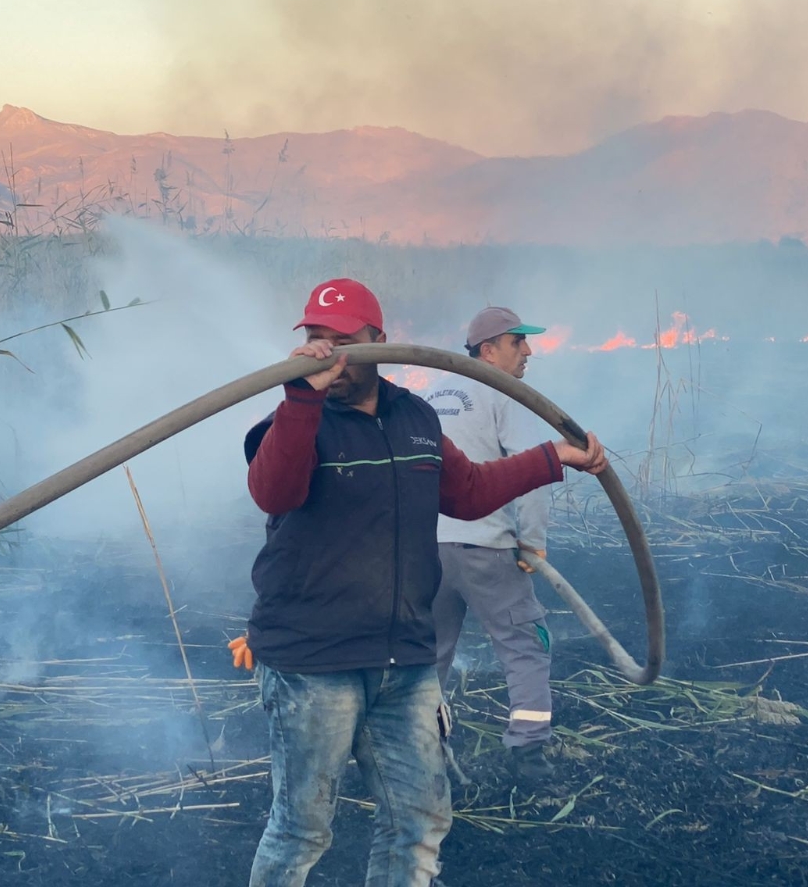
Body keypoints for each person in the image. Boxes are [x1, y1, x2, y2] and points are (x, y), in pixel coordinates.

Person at [238, 278, 608, 887]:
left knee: (419, 818)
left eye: (344, 339)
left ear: (377, 343)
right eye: (315, 336)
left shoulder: (414, 416)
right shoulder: (292, 419)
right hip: (313, 663)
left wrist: (552, 459)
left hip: (403, 661)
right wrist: (301, 398)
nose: (328, 349)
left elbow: (465, 493)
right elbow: (274, 492)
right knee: (302, 827)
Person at [424, 307, 560, 782]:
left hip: (429, 551)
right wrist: (533, 543)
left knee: (428, 655)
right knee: (524, 644)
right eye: (516, 342)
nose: (527, 352)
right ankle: (528, 752)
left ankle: (421, 751)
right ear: (488, 351)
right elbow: (536, 472)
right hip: (487, 549)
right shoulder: (506, 395)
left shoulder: (433, 393)